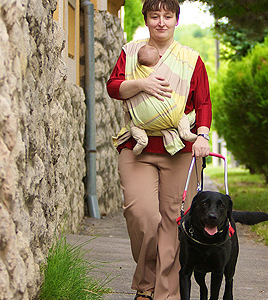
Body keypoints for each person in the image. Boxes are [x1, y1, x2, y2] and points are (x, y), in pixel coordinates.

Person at [106, 0, 212, 298]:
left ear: (176, 20)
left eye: (167, 16)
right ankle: (146, 283)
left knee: (174, 221)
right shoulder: (131, 52)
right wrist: (142, 84)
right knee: (142, 216)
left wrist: (201, 136)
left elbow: (203, 103)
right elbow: (114, 87)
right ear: (147, 20)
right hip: (137, 147)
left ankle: (162, 293)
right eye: (155, 16)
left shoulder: (192, 59)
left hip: (179, 149)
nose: (161, 22)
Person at [122, 44, 198, 156]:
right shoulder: (162, 73)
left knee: (134, 125)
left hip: (142, 120)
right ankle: (185, 132)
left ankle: (141, 140)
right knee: (181, 115)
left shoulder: (134, 74)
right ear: (159, 60)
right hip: (168, 113)